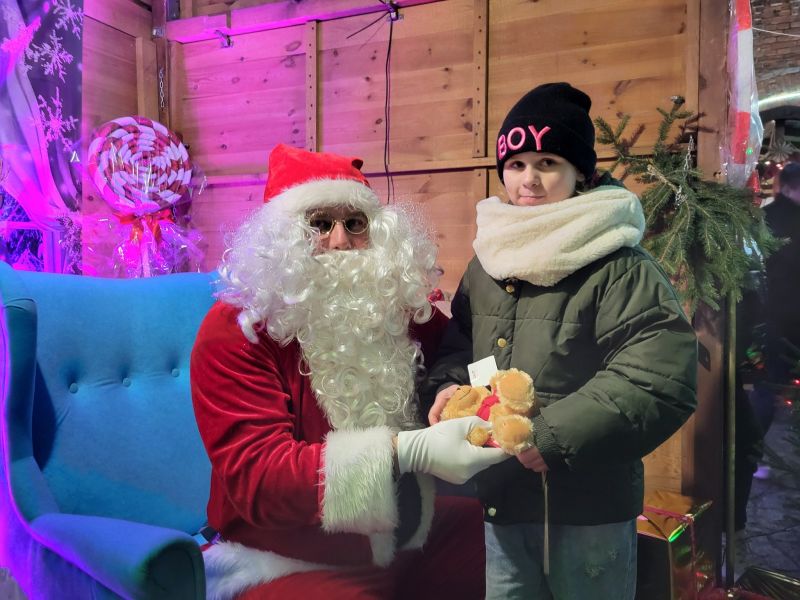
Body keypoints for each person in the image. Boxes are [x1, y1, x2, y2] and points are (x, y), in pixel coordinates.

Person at [190, 143, 508, 600]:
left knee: (517, 548)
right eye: (319, 224)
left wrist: (462, 387)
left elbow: (462, 350)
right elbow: (260, 480)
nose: (340, 242)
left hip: (407, 540)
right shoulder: (238, 329)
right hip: (280, 560)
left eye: (355, 224)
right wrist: (407, 451)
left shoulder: (394, 307)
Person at [423, 82, 698, 599]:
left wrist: (552, 436)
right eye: (516, 163)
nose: (528, 180)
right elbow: (461, 344)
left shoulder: (617, 264)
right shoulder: (489, 260)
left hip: (588, 507)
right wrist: (448, 387)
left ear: (580, 173)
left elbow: (659, 377)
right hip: (503, 497)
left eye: (547, 162)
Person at [763, 162, 800, 386]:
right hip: (793, 303)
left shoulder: (765, 215)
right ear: (788, 188)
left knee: (777, 370)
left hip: (772, 302)